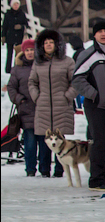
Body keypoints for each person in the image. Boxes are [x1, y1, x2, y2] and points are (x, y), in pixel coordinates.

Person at [73, 20, 105, 191]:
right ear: (94, 35)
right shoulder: (89, 54)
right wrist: (94, 94)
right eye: (99, 31)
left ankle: (104, 176)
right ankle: (96, 179)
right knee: (99, 141)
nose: (103, 34)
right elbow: (77, 78)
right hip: (96, 104)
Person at [28, 29, 77, 178]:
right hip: (43, 105)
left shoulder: (68, 61)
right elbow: (32, 82)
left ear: (57, 44)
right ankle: (44, 170)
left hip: (61, 105)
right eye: (45, 42)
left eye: (51, 42)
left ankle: (60, 170)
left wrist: (67, 96)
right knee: (45, 139)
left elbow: (75, 81)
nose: (48, 45)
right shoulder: (38, 63)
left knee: (60, 139)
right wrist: (37, 97)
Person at [7, 38, 38, 176]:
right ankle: (30, 169)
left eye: (32, 50)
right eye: (27, 50)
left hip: (42, 108)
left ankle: (44, 168)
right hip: (26, 109)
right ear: (23, 52)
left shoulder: (42, 65)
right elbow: (11, 87)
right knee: (30, 142)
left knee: (44, 143)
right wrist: (19, 100)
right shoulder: (17, 69)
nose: (30, 53)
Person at [2, 0, 28, 73]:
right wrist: (3, 36)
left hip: (19, 37)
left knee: (18, 54)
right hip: (10, 36)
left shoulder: (22, 14)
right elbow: (4, 26)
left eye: (17, 4)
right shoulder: (7, 14)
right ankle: (8, 69)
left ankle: (17, 68)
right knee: (9, 54)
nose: (16, 6)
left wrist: (21, 26)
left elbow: (26, 24)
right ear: (11, 5)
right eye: (14, 4)